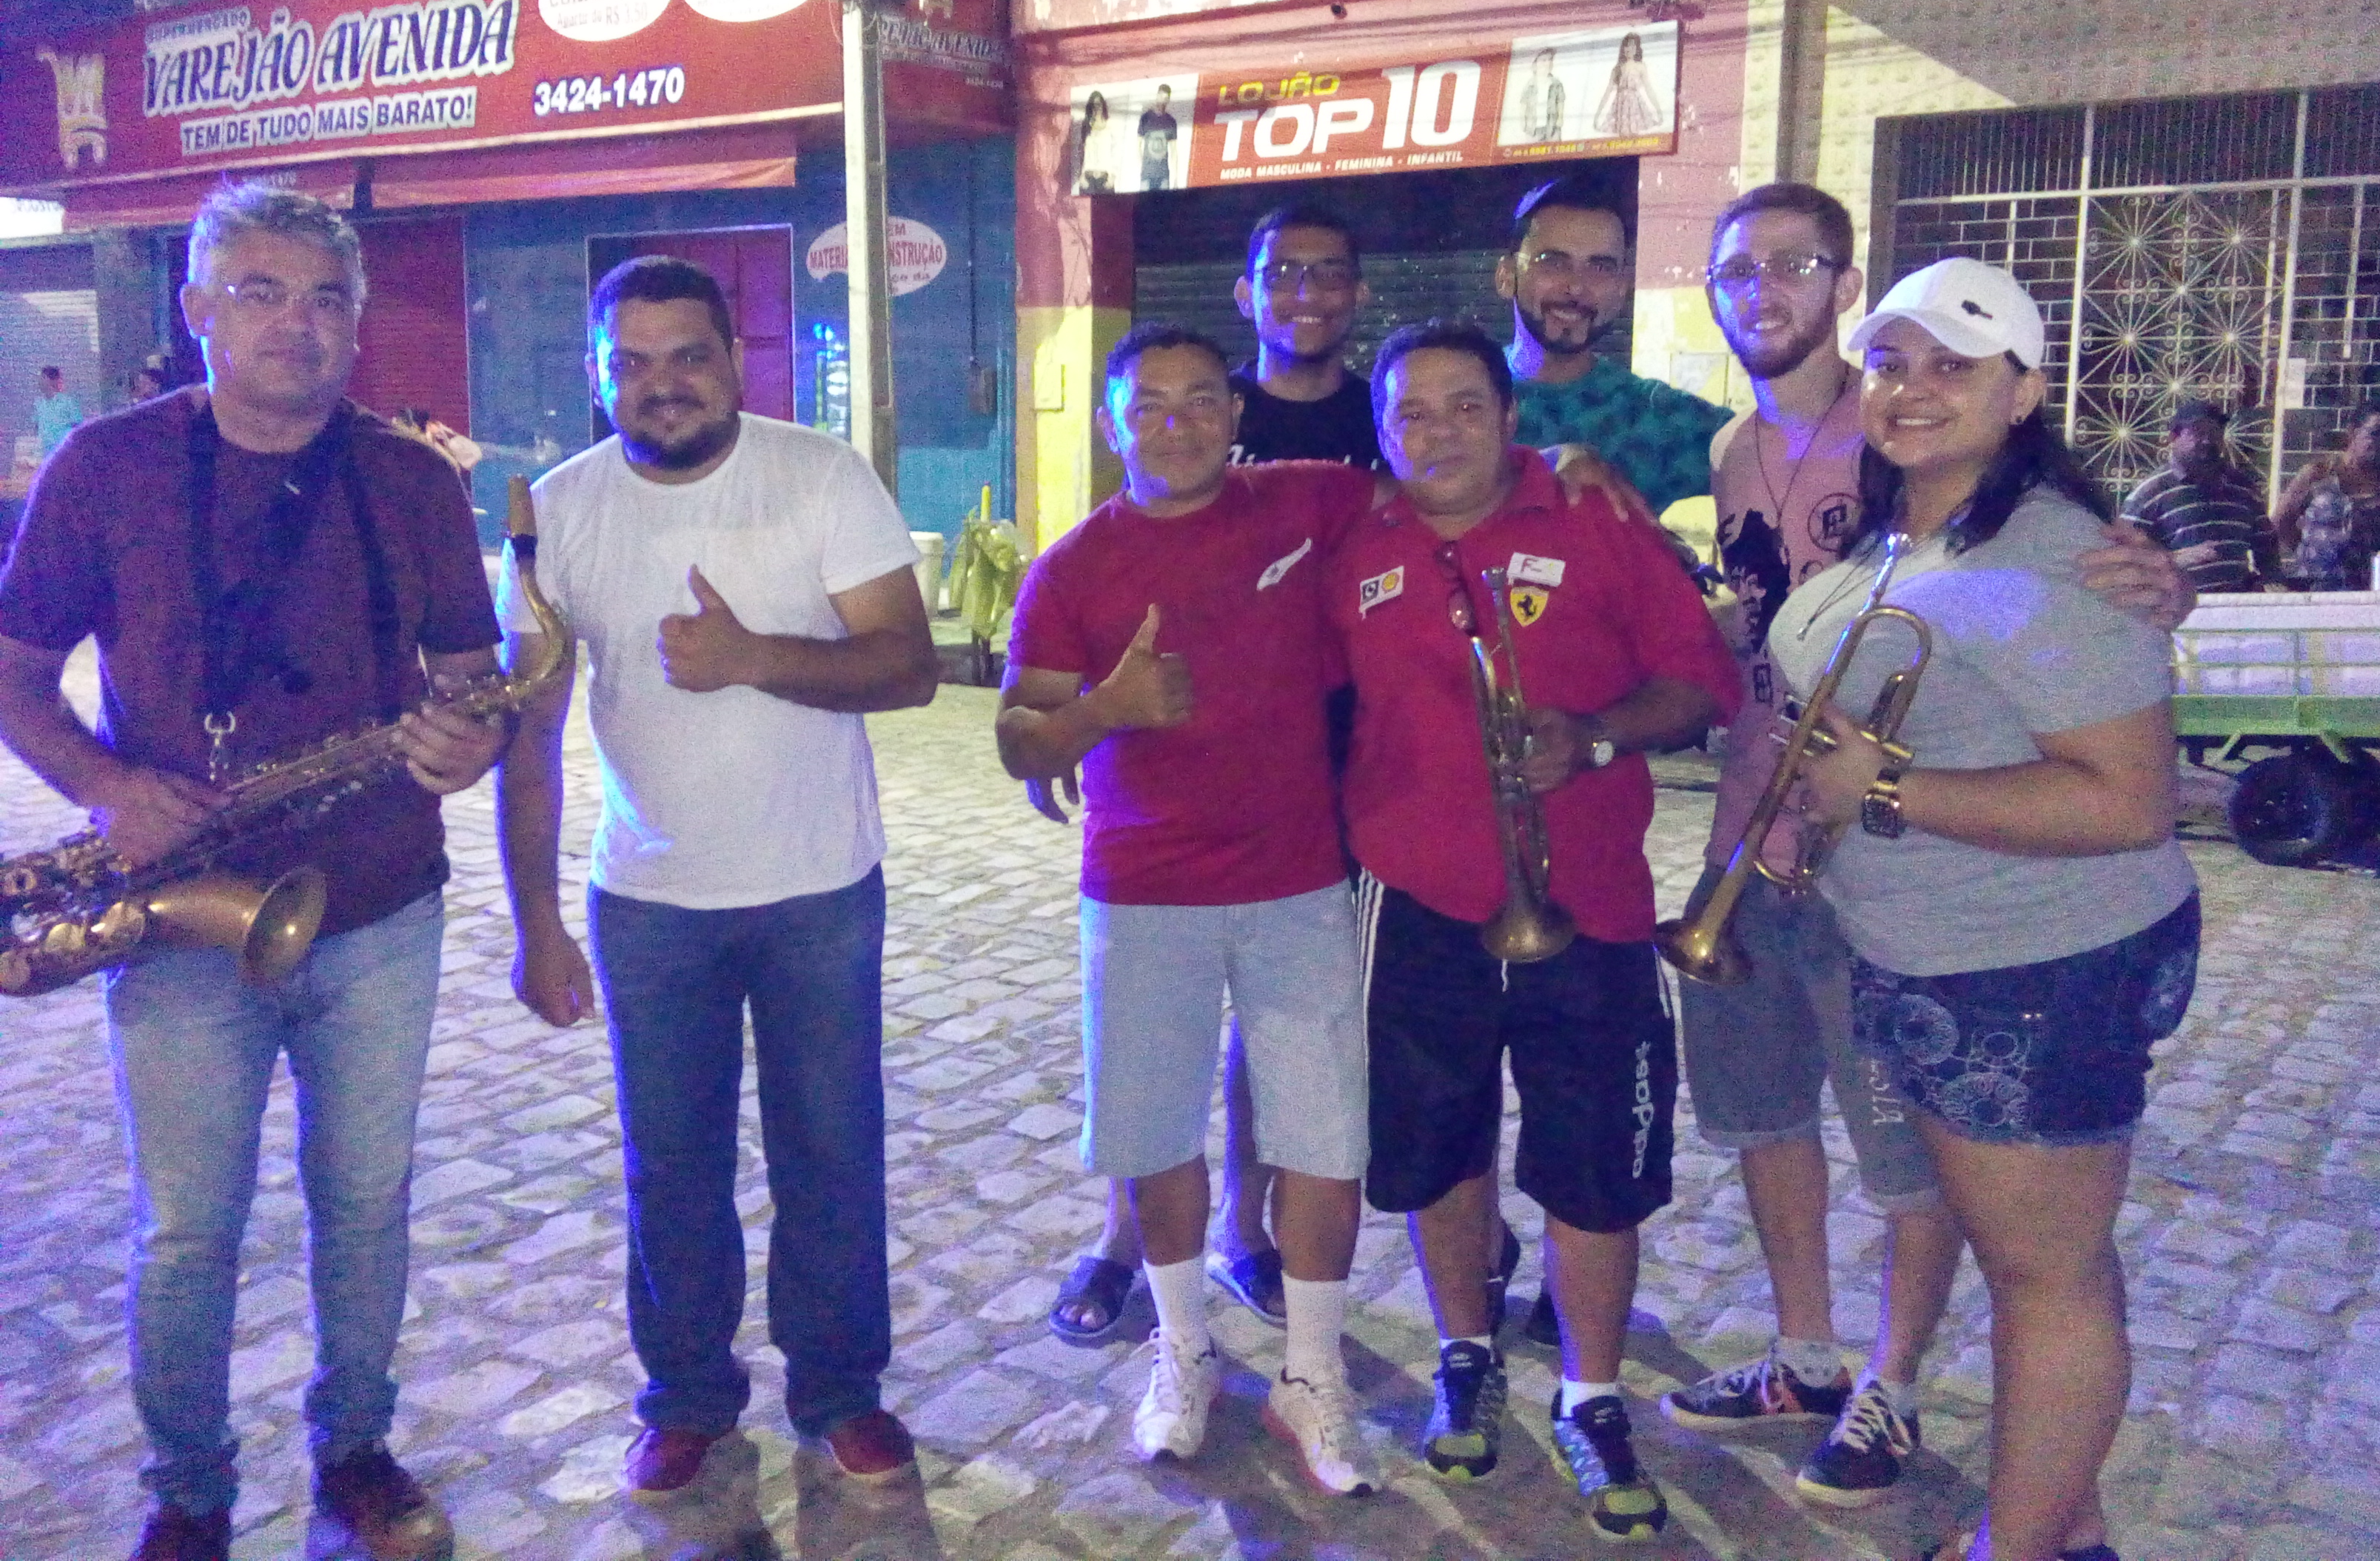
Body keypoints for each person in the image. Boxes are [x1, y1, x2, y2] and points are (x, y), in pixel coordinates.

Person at [1660, 184, 2193, 1509]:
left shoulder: (2056, 551)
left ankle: (2007, 1525)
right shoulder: (1899, 520)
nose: (1911, 388)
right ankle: (2053, 1519)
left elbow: (2130, 801)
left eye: (1954, 366)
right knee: (2041, 1262)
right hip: (1923, 937)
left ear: (2025, 392)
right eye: (1895, 364)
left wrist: (1884, 787)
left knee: (2042, 1272)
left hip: (2027, 962)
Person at [0, 181, 507, 1561]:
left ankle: (356, 1448)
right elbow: (18, 673)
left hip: (379, 905)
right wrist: (109, 788)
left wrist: (469, 738)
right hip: (181, 917)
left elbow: (472, 681)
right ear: (198, 311)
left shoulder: (410, 478)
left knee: (366, 1206)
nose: (298, 323)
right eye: (262, 292)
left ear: (357, 321)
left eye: (327, 297)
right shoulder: (104, 466)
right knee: (184, 1231)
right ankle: (188, 1488)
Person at [497, 255, 938, 1500]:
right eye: (630, 363)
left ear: (735, 359)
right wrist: (536, 922)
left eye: (687, 354)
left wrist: (752, 656)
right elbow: (529, 736)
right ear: (599, 377)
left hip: (817, 889)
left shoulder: (819, 476)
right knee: (671, 1164)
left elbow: (909, 666)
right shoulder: (558, 512)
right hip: (647, 901)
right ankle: (686, 1396)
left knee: (830, 1152)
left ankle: (841, 1390)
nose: (662, 383)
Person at [1333, 318, 1740, 1543]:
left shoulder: (1591, 515)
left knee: (1594, 1165)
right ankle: (1465, 1350)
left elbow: (1698, 682)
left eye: (1466, 405)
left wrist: (1595, 737)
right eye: (1410, 412)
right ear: (1380, 431)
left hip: (1591, 903)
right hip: (1414, 903)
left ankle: (1591, 1391)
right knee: (1436, 1147)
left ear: (1511, 419)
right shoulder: (1354, 541)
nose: (1438, 432)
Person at [997, 322, 1383, 1495]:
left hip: (1299, 879)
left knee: (1324, 1137)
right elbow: (1019, 738)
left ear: (1237, 413)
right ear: (1111, 426)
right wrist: (1103, 711)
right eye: (1149, 405)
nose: (1177, 424)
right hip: (1143, 888)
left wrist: (1555, 462)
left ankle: (1313, 1373)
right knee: (1154, 1132)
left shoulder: (1306, 500)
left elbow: (1439, 480)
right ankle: (1183, 1347)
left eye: (1202, 399)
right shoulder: (1073, 567)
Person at [1500, 174, 1732, 513]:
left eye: (1600, 267)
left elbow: (1782, 455)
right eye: (1553, 262)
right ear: (1506, 276)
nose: (1576, 287)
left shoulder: (1659, 419)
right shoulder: (1458, 400)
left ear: (1622, 287)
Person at [1229, 201, 1386, 472]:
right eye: (1282, 274)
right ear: (1245, 297)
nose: (1308, 294)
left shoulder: (1389, 420)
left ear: (1359, 295)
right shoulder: (1202, 416)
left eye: (1332, 275)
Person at [2119, 400, 2279, 593]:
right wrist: (2175, 559)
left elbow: (2266, 545)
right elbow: (2124, 559)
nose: (2207, 440)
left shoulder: (2243, 488)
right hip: (2178, 606)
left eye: (2215, 432)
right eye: (2197, 432)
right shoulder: (2150, 493)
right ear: (2173, 437)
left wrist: (2271, 584)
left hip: (2237, 606)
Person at [2276, 398, 2380, 589]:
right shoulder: (2317, 474)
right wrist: (2310, 548)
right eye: (2376, 433)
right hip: (2316, 586)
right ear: (2353, 431)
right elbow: (2280, 522)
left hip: (2369, 589)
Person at [1595, 32, 1663, 138]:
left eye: (1632, 46)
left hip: (1635, 106)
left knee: (1635, 136)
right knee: (1622, 138)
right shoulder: (1617, 69)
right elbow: (1607, 92)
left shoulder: (1640, 67)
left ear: (1636, 49)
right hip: (1620, 107)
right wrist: (1597, 115)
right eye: (1627, 46)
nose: (1629, 50)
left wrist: (1659, 111)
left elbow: (1649, 89)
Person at [33, 363, 83, 458]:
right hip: (44, 453)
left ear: (51, 380)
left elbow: (78, 426)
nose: (39, 382)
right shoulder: (38, 403)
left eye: (43, 378)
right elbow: (36, 427)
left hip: (65, 452)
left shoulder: (68, 402)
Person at [1137, 84, 1180, 190]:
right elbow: (1138, 145)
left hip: (1163, 175)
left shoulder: (1171, 122)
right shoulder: (1146, 118)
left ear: (1168, 100)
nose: (1162, 101)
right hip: (1147, 175)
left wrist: (1175, 178)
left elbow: (1174, 151)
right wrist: (1142, 167)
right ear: (1157, 96)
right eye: (1161, 96)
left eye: (1165, 98)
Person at [1073, 90, 1116, 195]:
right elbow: (1078, 152)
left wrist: (1113, 176)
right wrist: (1081, 176)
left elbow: (1115, 152)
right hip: (1087, 180)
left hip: (1106, 180)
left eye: (1099, 104)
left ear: (1103, 105)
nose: (1097, 108)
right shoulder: (1085, 126)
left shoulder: (1111, 125)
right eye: (1093, 105)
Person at [1519, 48, 1566, 143]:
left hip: (1552, 127)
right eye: (1544, 60)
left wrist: (1560, 118)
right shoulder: (1530, 85)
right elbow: (1523, 103)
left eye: (1550, 60)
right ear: (1535, 64)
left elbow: (1560, 101)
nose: (1548, 63)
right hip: (1533, 129)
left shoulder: (1556, 84)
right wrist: (1523, 121)